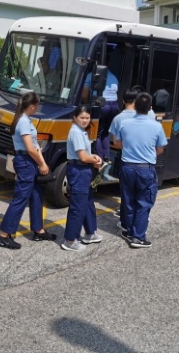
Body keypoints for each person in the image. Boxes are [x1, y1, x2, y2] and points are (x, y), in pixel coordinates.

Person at [0, 92, 56, 250]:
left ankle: (38, 230)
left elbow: (35, 145)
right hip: (25, 161)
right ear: (32, 106)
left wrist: (41, 162)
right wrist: (42, 164)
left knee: (36, 195)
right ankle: (3, 235)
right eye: (38, 105)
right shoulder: (23, 122)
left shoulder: (25, 120)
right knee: (21, 198)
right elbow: (30, 148)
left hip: (30, 161)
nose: (38, 108)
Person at [114, 92, 167, 248]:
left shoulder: (124, 124)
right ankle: (138, 237)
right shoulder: (156, 126)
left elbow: (117, 144)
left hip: (127, 166)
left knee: (128, 199)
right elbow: (160, 149)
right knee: (143, 203)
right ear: (150, 108)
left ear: (135, 106)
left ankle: (128, 230)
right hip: (145, 168)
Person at [108, 87, 157, 220]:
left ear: (123, 100)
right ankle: (140, 222)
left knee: (127, 193)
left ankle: (125, 222)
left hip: (127, 161)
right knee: (143, 194)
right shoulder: (150, 114)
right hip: (147, 163)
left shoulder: (118, 118)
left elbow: (116, 143)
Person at [61, 106, 103, 252]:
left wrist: (94, 159)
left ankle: (90, 232)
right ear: (75, 117)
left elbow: (86, 155)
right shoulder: (76, 133)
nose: (85, 120)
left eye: (87, 118)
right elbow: (83, 157)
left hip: (84, 169)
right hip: (78, 170)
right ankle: (70, 240)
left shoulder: (81, 131)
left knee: (87, 201)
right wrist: (95, 159)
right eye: (82, 118)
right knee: (78, 206)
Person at [82, 69, 119, 161]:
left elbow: (84, 93)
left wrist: (86, 106)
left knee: (96, 134)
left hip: (102, 105)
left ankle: (100, 159)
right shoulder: (114, 76)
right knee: (105, 132)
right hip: (114, 105)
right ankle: (107, 156)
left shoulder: (91, 74)